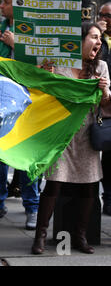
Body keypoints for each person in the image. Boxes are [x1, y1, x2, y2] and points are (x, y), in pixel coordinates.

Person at [31, 22, 111, 255]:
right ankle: (40, 237)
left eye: (100, 38)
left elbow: (104, 103)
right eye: (94, 37)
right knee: (53, 184)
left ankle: (80, 236)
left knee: (88, 188)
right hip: (62, 135)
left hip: (87, 134)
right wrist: (47, 77)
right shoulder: (58, 64)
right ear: (81, 39)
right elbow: (44, 93)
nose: (98, 42)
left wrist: (105, 90)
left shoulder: (102, 67)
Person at [0, 0, 39, 230]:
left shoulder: (33, 33)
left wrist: (18, 46)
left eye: (6, 2)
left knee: (27, 159)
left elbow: (39, 70)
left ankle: (32, 208)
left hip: (26, 105)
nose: (1, 6)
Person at [97, 2, 111, 216]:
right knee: (107, 151)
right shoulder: (98, 39)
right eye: (103, 15)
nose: (107, 19)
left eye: (109, 16)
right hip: (105, 103)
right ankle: (107, 198)